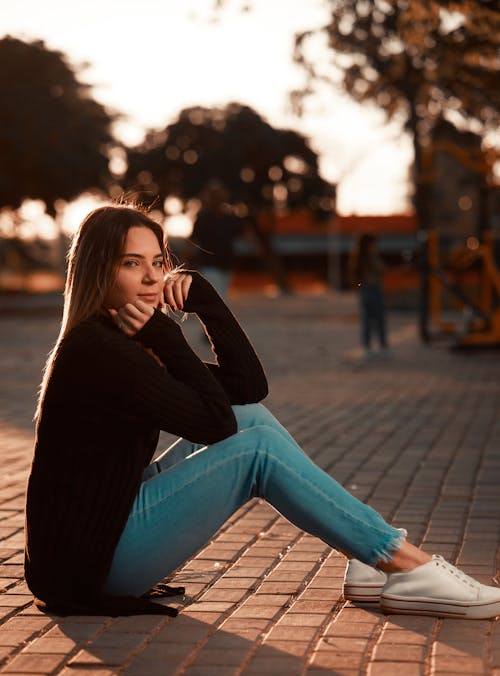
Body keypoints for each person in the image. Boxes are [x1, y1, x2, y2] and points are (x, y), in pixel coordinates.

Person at [24, 203, 500, 621]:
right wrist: (168, 338)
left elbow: (248, 390)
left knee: (254, 423)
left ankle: (368, 551)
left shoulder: (116, 342)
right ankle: (401, 562)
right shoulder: (102, 351)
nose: (153, 279)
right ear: (98, 271)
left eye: (158, 262)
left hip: (93, 540)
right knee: (255, 446)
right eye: (132, 264)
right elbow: (216, 424)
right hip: (92, 564)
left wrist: (206, 303)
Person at [189, 180, 242, 299]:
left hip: (227, 266)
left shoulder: (231, 218)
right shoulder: (203, 219)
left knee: (222, 297)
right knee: (217, 297)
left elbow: (241, 238)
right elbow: (192, 242)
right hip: (209, 266)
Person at [348, 233, 391, 361]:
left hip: (364, 290)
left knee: (366, 320)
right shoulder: (371, 257)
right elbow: (382, 269)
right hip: (373, 290)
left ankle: (367, 347)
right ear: (369, 244)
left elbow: (355, 278)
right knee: (379, 319)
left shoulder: (357, 258)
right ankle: (383, 347)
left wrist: (359, 287)